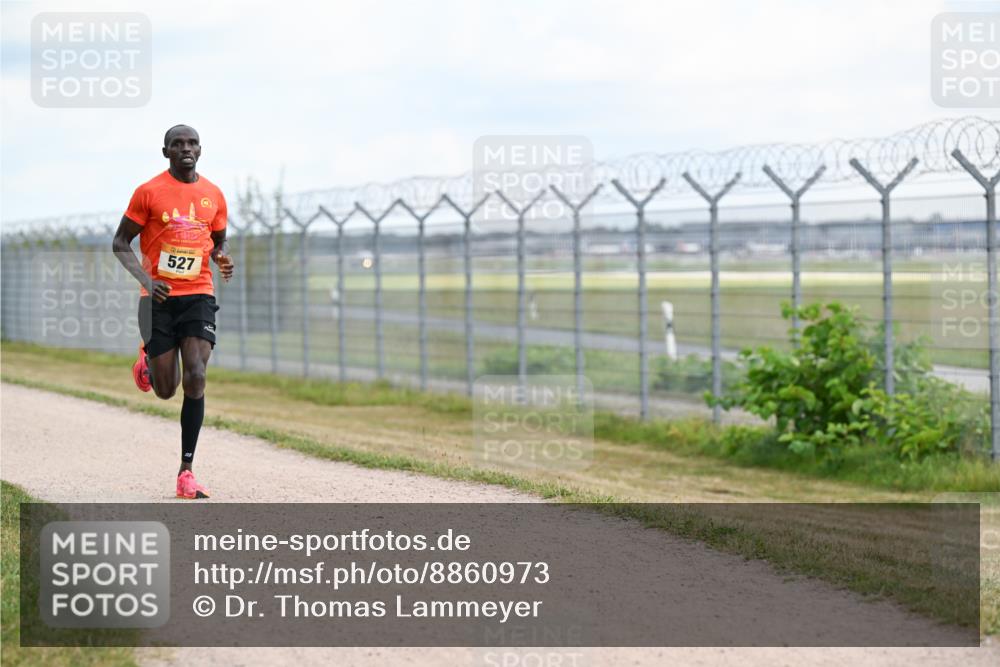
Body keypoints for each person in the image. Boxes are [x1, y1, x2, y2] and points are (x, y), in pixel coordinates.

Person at [111, 124, 234, 499]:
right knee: (166, 390)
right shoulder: (148, 193)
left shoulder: (213, 194)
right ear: (165, 152)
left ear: (201, 150)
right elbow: (120, 242)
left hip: (198, 293)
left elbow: (218, 239)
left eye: (192, 143)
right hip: (158, 299)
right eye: (177, 144)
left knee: (196, 376)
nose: (186, 148)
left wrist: (221, 257)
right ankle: (147, 358)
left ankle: (186, 472)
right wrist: (148, 282)